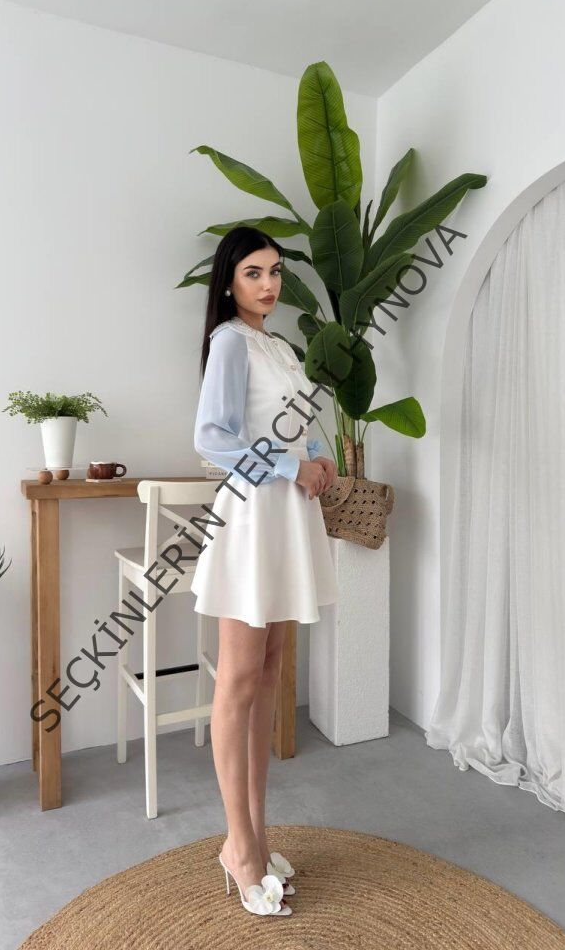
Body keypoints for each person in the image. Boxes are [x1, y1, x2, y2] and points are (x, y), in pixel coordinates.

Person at [190, 225, 339, 917]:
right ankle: (239, 847)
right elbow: (212, 439)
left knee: (270, 674)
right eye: (254, 272)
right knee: (240, 679)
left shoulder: (276, 346)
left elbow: (291, 425)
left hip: (287, 518)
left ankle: (256, 834)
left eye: (275, 271)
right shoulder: (229, 341)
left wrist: (317, 458)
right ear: (229, 282)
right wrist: (288, 465)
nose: (269, 284)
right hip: (252, 518)